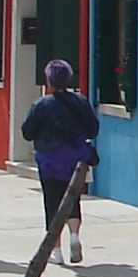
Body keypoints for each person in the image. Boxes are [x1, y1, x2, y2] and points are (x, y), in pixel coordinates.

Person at [20, 58, 100, 264]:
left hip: (49, 161)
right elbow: (93, 129)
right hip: (76, 159)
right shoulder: (80, 101)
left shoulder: (41, 105)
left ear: (49, 81)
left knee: (52, 201)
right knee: (73, 198)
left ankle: (56, 252)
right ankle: (74, 235)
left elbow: (27, 132)